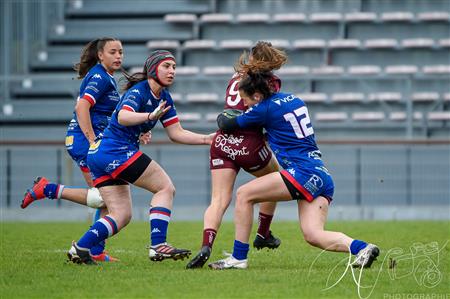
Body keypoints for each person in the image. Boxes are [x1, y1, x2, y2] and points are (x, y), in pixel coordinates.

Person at [208, 69, 380, 270]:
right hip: (321, 174)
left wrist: (226, 116)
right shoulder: (294, 99)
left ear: (256, 95)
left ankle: (238, 258)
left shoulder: (263, 108)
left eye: (246, 100)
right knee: (313, 235)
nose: (245, 105)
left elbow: (227, 123)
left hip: (302, 171)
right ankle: (362, 248)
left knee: (244, 194)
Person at [67, 50, 214, 265]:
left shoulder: (164, 97)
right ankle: (158, 245)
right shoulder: (140, 91)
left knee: (121, 214)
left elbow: (176, 133)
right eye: (166, 66)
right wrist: (149, 116)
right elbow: (123, 116)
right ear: (153, 69)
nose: (172, 71)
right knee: (165, 188)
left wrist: (206, 139)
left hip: (100, 155)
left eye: (174, 67)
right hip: (114, 151)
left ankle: (80, 248)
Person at [21, 37, 126, 262]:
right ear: (100, 55)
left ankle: (96, 251)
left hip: (87, 141)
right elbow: (82, 106)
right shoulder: (99, 76)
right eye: (113, 52)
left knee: (108, 197)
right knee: (103, 196)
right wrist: (91, 139)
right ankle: (47, 189)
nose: (118, 56)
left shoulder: (106, 77)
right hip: (83, 142)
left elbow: (105, 114)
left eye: (120, 52)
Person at [186, 41, 288, 269]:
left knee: (219, 200)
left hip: (222, 140)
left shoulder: (236, 77)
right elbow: (266, 113)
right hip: (249, 142)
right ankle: (263, 234)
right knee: (273, 180)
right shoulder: (269, 81)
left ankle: (206, 245)